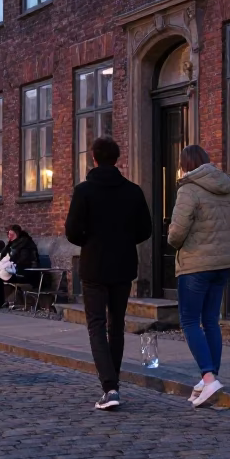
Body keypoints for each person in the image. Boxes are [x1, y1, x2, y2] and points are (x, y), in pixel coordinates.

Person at [65, 136, 152, 411]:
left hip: (94, 265)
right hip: (123, 264)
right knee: (116, 325)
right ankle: (113, 384)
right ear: (117, 159)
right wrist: (124, 240)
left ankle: (109, 387)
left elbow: (71, 231)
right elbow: (145, 230)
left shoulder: (84, 191)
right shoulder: (133, 191)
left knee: (96, 325)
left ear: (93, 158)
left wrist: (89, 241)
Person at [168, 144, 230, 408]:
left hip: (196, 264)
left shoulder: (188, 189)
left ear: (185, 164)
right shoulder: (227, 189)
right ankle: (211, 376)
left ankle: (208, 378)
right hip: (222, 262)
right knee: (210, 321)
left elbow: (177, 232)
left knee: (188, 321)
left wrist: (173, 242)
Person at [0, 224, 39, 309]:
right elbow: (3, 256)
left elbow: (23, 261)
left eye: (12, 235)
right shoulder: (11, 244)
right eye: (8, 234)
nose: (9, 236)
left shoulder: (25, 244)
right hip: (13, 270)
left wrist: (9, 265)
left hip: (24, 273)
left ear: (17, 234)